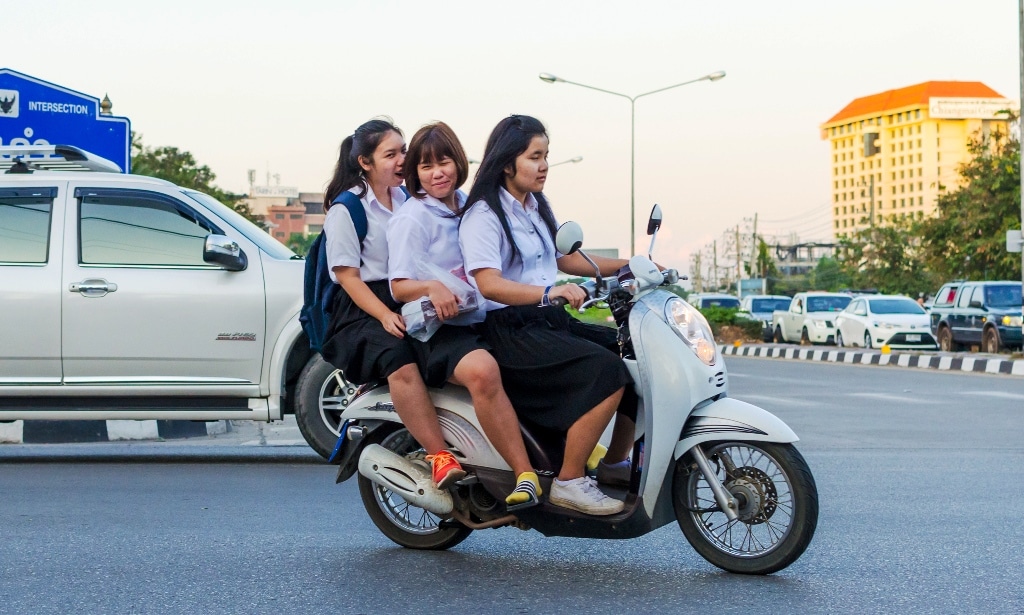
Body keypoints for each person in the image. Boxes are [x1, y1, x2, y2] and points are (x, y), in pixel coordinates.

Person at [459, 114, 637, 516]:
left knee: (634, 355)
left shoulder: (535, 206)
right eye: (534, 157)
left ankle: (613, 464)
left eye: (546, 157)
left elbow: (566, 258)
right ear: (507, 163)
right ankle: (569, 480)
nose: (543, 166)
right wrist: (548, 292)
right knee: (607, 370)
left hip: (546, 319)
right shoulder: (483, 216)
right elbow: (487, 284)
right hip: (509, 328)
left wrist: (635, 264)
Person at [387, 122, 541, 509]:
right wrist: (432, 287)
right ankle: (526, 475)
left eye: (445, 162)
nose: (438, 173)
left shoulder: (469, 205)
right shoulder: (413, 218)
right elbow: (398, 285)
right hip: (438, 331)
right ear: (413, 174)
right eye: (426, 167)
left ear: (459, 161)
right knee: (483, 370)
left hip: (478, 319)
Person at [318, 118, 465, 489]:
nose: (402, 159)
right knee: (399, 360)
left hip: (407, 295)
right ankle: (438, 455)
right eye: (391, 154)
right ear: (365, 162)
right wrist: (384, 314)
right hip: (362, 307)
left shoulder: (406, 198)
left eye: (403, 150)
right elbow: (348, 277)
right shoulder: (347, 209)